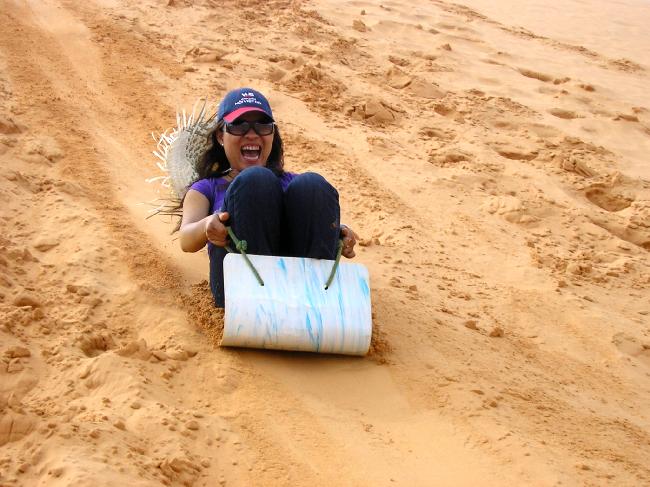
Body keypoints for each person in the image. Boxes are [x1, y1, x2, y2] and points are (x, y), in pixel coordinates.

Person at [179, 88, 358, 307]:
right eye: (239, 125)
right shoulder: (206, 188)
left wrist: (338, 233)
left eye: (262, 125)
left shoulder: (296, 184)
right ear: (220, 136)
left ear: (273, 134)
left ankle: (317, 297)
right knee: (255, 180)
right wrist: (208, 224)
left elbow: (314, 223)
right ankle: (263, 304)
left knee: (313, 184)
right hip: (240, 290)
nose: (252, 134)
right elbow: (186, 240)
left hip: (301, 292)